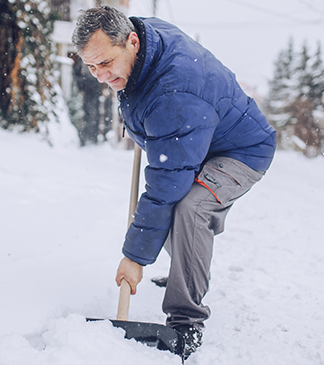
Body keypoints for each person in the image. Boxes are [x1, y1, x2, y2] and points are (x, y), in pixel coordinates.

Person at [72, 5, 276, 358]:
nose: (101, 76)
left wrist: (134, 258)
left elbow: (168, 186)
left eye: (105, 64)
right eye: (91, 67)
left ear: (131, 42)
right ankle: (187, 265)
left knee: (189, 205)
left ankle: (186, 322)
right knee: (171, 205)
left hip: (242, 149)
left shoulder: (174, 94)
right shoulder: (144, 42)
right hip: (197, 137)